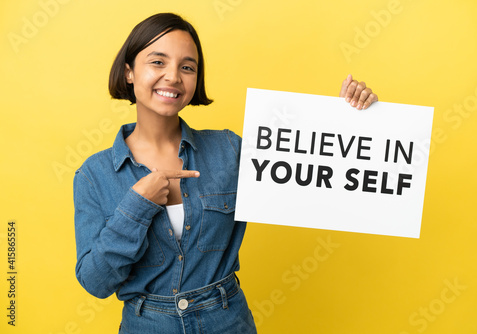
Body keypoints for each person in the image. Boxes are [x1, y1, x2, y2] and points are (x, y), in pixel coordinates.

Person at [73, 13, 378, 334]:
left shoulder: (229, 150)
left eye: (187, 67)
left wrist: (352, 120)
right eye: (158, 62)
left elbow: (315, 180)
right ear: (129, 72)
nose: (173, 76)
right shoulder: (94, 175)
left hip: (227, 322)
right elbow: (96, 281)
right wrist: (137, 205)